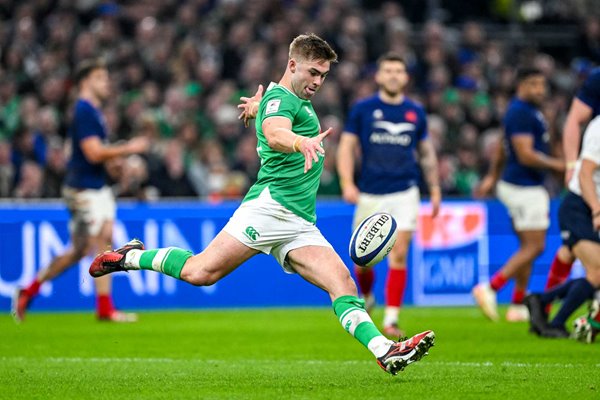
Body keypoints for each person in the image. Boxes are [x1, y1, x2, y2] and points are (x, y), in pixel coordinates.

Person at [89, 34, 435, 375]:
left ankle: (385, 350)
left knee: (342, 282)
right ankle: (129, 257)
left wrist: (258, 108)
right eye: (313, 72)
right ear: (292, 65)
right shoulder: (284, 101)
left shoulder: (282, 97)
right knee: (200, 272)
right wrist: (299, 142)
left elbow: (270, 114)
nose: (318, 81)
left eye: (324, 75)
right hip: (268, 210)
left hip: (299, 222)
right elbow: (275, 132)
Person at [11, 59, 149, 322]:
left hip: (95, 186)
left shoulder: (93, 112)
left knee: (79, 250)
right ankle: (105, 308)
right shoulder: (83, 110)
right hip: (84, 189)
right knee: (102, 238)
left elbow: (94, 154)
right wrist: (128, 148)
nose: (106, 82)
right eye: (100, 77)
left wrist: (116, 165)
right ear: (85, 82)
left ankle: (28, 291)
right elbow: (93, 152)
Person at [336, 52, 441, 337]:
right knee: (362, 258)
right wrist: (347, 182)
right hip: (370, 192)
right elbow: (346, 146)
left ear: (406, 78)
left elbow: (427, 153)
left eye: (398, 71)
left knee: (399, 254)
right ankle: (368, 297)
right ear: (379, 76)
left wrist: (434, 188)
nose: (394, 75)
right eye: (388, 70)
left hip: (405, 191)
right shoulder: (363, 109)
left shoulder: (415, 112)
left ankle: (391, 320)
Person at [472, 67, 565, 321]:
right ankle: (490, 287)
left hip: (515, 184)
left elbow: (503, 147)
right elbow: (524, 154)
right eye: (533, 83)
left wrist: (492, 175)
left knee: (527, 246)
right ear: (521, 85)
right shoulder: (521, 112)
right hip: (524, 187)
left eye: (542, 84)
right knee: (536, 246)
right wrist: (561, 165)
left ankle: (517, 305)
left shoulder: (523, 111)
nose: (539, 89)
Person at [524, 115, 600, 340]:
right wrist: (596, 209)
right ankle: (556, 322)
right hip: (580, 206)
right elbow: (585, 173)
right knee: (596, 273)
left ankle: (540, 301)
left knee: (575, 262)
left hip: (588, 206)